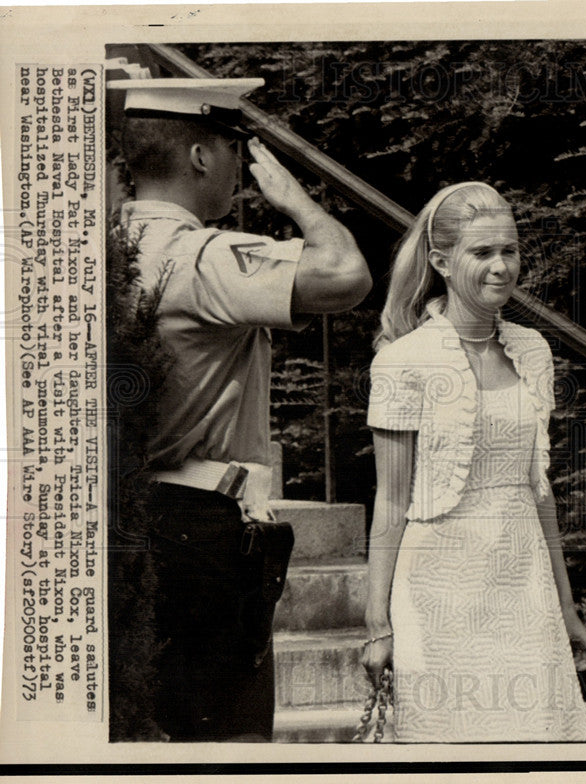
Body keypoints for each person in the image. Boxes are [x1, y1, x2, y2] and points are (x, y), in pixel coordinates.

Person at [110, 77, 371, 741]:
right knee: (231, 743)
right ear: (201, 156)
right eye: (234, 148)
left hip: (122, 518)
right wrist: (296, 202)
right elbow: (345, 275)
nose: (238, 168)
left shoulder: (99, 250)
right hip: (195, 530)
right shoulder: (197, 257)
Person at [362, 182, 586, 742]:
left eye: (509, 251)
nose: (500, 267)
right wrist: (376, 624)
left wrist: (566, 607)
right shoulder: (402, 363)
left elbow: (538, 490)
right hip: (437, 591)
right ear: (441, 261)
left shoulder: (533, 350)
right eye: (482, 253)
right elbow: (391, 502)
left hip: (524, 585)